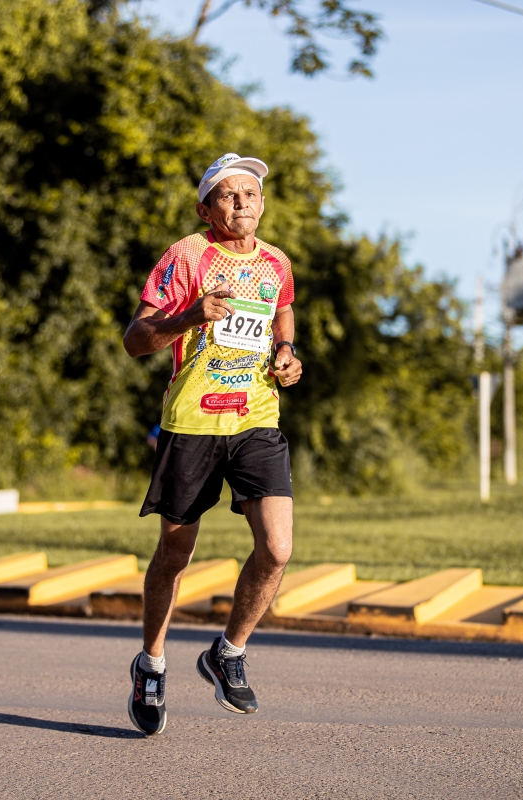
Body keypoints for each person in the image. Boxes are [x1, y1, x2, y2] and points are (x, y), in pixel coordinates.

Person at [121, 153, 302, 736]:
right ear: (206, 209)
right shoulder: (186, 256)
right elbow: (135, 339)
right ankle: (151, 664)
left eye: (250, 193)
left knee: (277, 548)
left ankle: (228, 652)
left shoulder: (276, 262)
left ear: (262, 203)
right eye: (228, 194)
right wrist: (189, 317)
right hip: (193, 422)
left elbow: (282, 311)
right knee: (175, 554)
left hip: (256, 419)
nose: (242, 201)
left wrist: (286, 353)